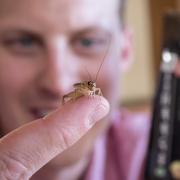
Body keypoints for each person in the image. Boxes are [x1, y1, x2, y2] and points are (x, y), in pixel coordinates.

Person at [0, 0, 150, 179]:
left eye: (88, 42)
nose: (58, 85)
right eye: (24, 42)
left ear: (125, 50)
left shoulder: (154, 147)